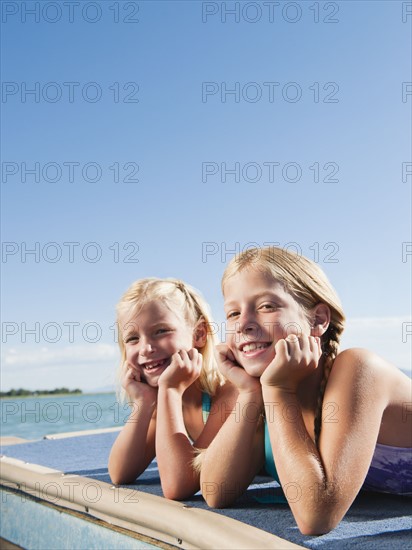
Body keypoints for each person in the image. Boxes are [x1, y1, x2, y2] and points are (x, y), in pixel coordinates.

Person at [199, 246, 412, 535]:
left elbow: (316, 518)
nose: (244, 325)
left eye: (266, 306)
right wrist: (251, 394)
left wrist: (277, 389)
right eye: (233, 313)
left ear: (318, 320)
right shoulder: (263, 392)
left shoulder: (359, 369)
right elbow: (216, 492)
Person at [108, 277, 236, 500]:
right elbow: (121, 473)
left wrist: (170, 391)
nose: (146, 348)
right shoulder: (162, 402)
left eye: (161, 331)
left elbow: (178, 485)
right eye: (133, 338)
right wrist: (144, 402)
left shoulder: (229, 390)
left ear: (199, 334)